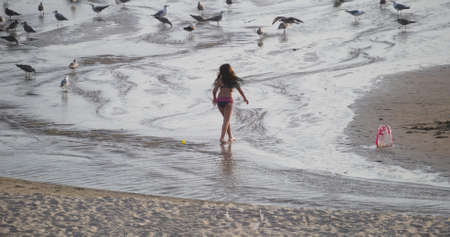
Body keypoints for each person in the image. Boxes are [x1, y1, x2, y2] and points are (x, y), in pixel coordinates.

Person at [212, 64, 249, 144]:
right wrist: (245, 98)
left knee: (226, 120)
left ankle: (230, 137)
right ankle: (222, 138)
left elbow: (214, 91)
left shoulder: (219, 80)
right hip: (228, 101)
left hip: (220, 101)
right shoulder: (233, 80)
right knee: (226, 121)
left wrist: (215, 98)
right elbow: (240, 91)